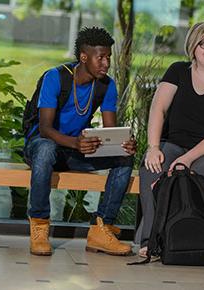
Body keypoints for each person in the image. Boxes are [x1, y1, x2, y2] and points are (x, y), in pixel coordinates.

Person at [24, 26, 136, 256]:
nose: (106, 63)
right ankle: (40, 226)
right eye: (101, 58)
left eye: (108, 58)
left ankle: (101, 229)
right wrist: (75, 143)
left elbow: (110, 131)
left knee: (124, 157)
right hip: (41, 147)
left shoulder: (106, 85)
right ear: (84, 57)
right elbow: (44, 129)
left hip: (74, 150)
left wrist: (122, 143)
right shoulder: (55, 77)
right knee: (46, 149)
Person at [135, 22, 204, 259]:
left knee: (199, 172)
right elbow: (158, 108)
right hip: (174, 144)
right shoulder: (177, 71)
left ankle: (192, 241)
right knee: (154, 167)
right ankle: (152, 240)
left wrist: (188, 158)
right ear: (193, 47)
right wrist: (153, 147)